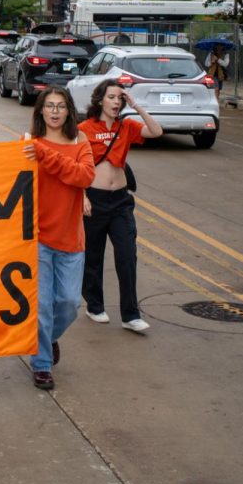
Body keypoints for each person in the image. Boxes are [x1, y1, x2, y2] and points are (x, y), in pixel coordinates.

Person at [21, 87, 95, 389]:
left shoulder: (80, 142)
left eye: (60, 106)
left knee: (68, 304)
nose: (54, 111)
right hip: (36, 238)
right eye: (49, 106)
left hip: (70, 239)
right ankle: (41, 364)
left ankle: (48, 339)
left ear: (68, 111)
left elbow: (84, 177)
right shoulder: (28, 145)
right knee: (42, 307)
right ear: (40, 111)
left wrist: (46, 155)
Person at [77, 79, 162, 333]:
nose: (116, 102)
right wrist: (82, 196)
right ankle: (94, 305)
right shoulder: (84, 128)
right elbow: (76, 164)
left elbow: (156, 131)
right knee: (93, 256)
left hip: (121, 202)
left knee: (127, 256)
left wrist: (137, 106)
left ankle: (130, 314)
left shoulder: (127, 127)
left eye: (120, 99)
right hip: (95, 199)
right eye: (112, 97)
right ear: (100, 99)